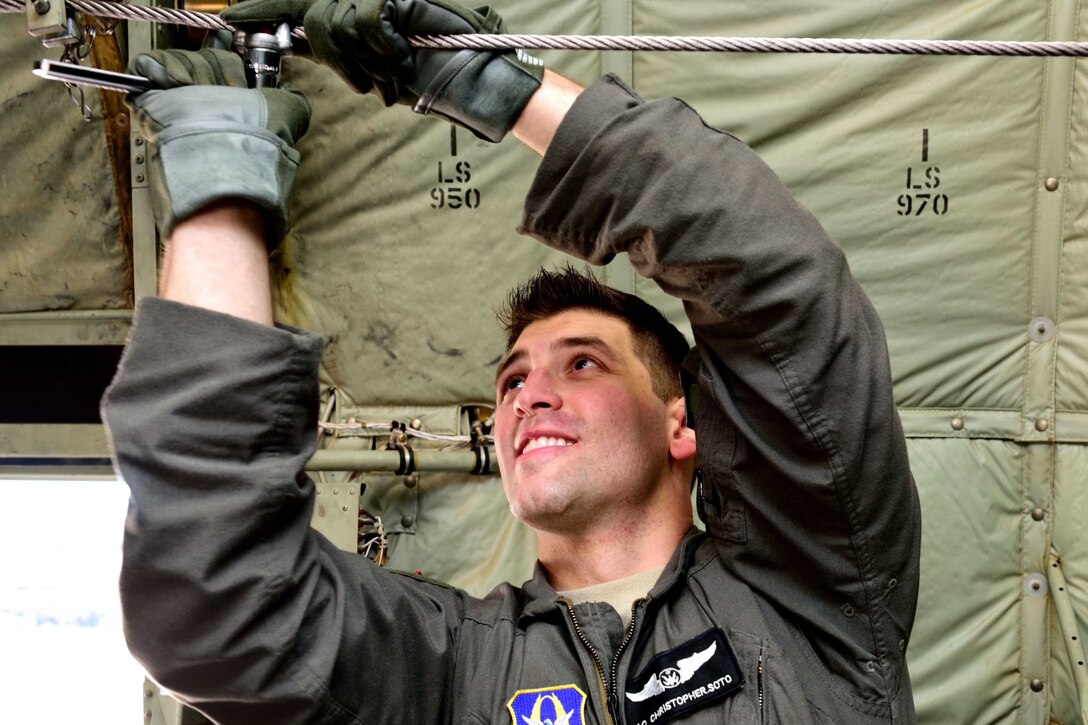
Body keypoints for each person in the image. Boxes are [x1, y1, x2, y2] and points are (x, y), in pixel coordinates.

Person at [102, 1, 922, 723]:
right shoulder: (452, 669)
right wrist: (220, 170)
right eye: (512, 380)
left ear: (682, 422)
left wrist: (491, 86)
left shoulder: (809, 598)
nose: (530, 394)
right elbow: (216, 597)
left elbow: (780, 284)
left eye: (584, 365)